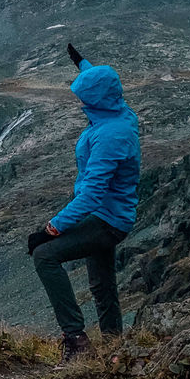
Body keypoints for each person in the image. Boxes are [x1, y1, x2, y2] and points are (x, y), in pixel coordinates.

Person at [28, 42, 140, 362]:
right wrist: (82, 63)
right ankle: (114, 348)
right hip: (113, 213)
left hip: (107, 219)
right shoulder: (117, 109)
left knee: (45, 256)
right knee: (101, 283)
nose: (77, 99)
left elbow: (91, 195)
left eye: (82, 94)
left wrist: (50, 230)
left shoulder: (110, 135)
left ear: (96, 99)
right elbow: (98, 80)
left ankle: (76, 341)